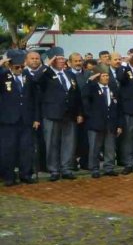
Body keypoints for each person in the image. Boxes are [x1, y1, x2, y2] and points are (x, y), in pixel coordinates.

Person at [36, 47, 82, 181]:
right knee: (52, 142)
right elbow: (35, 79)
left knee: (69, 142)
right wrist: (46, 65)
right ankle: (54, 169)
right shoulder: (46, 74)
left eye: (63, 58)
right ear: (52, 60)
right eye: (59, 59)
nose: (62, 61)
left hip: (69, 114)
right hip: (52, 114)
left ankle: (66, 168)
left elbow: (76, 94)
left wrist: (79, 112)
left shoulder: (69, 74)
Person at [0, 51, 39, 186]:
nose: (20, 70)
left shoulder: (27, 77)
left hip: (26, 119)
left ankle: (25, 174)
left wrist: (36, 118)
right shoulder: (3, 76)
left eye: (22, 67)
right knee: (9, 149)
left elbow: (34, 99)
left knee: (26, 148)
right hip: (9, 119)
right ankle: (9, 176)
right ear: (10, 66)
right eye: (17, 67)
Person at [81, 71, 122, 178]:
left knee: (110, 147)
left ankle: (109, 168)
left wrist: (119, 125)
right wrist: (90, 80)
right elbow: (84, 94)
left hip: (111, 123)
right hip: (96, 123)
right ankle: (94, 168)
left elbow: (118, 108)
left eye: (107, 75)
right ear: (98, 78)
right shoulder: (93, 88)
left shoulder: (113, 89)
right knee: (95, 147)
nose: (106, 78)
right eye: (103, 76)